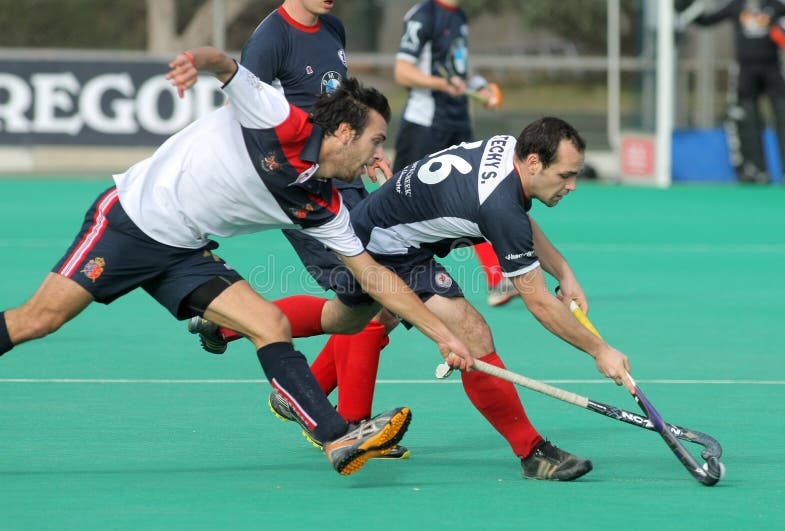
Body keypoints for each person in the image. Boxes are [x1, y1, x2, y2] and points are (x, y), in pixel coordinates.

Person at [0, 46, 476, 476]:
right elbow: (225, 65)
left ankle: (337, 438)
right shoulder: (278, 117)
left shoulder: (322, 203)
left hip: (183, 249)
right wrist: (194, 61)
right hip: (130, 222)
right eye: (375, 141)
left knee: (269, 323)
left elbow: (374, 276)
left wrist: (444, 337)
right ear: (346, 133)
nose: (379, 155)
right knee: (38, 320)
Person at [196, 116, 635, 481]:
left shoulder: (509, 149)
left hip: (396, 234)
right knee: (460, 331)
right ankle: (533, 452)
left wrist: (565, 271)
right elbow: (539, 302)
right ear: (535, 162)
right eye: (566, 175)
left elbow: (519, 218)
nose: (573, 185)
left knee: (348, 319)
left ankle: (234, 328)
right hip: (379, 246)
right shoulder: (498, 204)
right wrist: (600, 351)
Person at [186, 0, 408, 459]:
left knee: (365, 304)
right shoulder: (270, 39)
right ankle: (353, 426)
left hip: (343, 176)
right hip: (303, 187)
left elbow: (346, 111)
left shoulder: (333, 28)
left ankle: (236, 337)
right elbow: (247, 119)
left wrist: (367, 153)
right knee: (370, 299)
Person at [393, 0, 518, 306]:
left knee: (477, 197)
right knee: (397, 199)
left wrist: (481, 86)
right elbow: (402, 72)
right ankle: (379, 274)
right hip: (425, 125)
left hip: (457, 123)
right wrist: (440, 84)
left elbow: (459, 68)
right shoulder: (423, 15)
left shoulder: (459, 15)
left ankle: (497, 278)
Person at [677, 0, 785, 184]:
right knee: (746, 117)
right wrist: (683, 6)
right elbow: (707, 20)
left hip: (774, 69)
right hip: (745, 71)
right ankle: (754, 169)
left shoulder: (780, 5)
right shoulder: (735, 5)